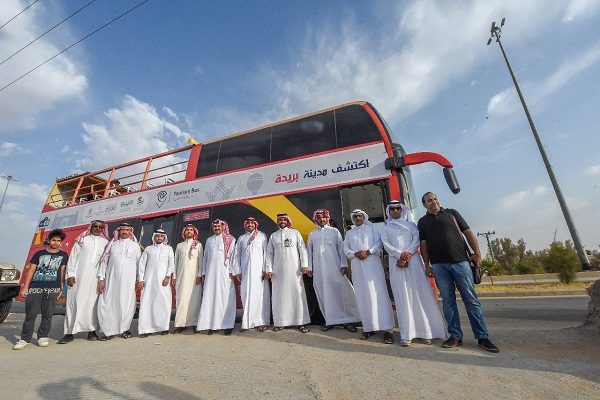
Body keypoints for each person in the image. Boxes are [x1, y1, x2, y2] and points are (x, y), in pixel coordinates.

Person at [417, 192, 499, 353]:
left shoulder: (452, 213)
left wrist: (477, 253)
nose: (434, 202)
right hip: (439, 266)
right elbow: (424, 245)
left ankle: (482, 337)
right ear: (424, 205)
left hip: (461, 262)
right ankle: (455, 336)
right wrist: (426, 265)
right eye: (429, 201)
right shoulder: (422, 222)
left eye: (435, 199)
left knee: (471, 300)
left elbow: (468, 232)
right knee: (448, 302)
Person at [381, 201, 447, 346]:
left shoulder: (411, 225)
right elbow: (386, 245)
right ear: (389, 211)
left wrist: (407, 255)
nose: (395, 211)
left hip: (414, 264)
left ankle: (426, 333)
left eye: (398, 208)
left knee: (420, 295)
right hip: (396, 263)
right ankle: (407, 335)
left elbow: (416, 240)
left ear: (402, 210)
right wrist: (399, 255)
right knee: (403, 297)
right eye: (392, 209)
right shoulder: (386, 228)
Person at [343, 209, 395, 344]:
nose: (358, 218)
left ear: (364, 217)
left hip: (373, 266)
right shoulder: (349, 233)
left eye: (360, 216)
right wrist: (355, 254)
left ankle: (388, 330)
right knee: (363, 297)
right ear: (353, 219)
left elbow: (379, 243)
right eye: (355, 216)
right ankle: (369, 328)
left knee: (380, 296)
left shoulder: (373, 229)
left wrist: (368, 252)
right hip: (357, 268)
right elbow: (346, 249)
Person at [13, 229, 69, 350]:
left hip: (53, 289)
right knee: (31, 314)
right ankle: (24, 339)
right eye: (54, 240)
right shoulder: (39, 254)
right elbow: (31, 271)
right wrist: (26, 287)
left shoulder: (63, 255)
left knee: (48, 314)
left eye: (58, 241)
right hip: (35, 287)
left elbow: (62, 272)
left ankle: (43, 336)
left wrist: (62, 290)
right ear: (49, 240)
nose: (56, 243)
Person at [306, 209, 360, 332]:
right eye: (319, 218)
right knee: (323, 293)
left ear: (328, 218)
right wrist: (309, 267)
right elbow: (309, 251)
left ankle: (348, 320)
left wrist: (344, 264)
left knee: (341, 292)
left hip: (335, 267)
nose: (322, 220)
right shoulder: (312, 234)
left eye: (324, 217)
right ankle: (330, 321)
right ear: (316, 219)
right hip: (319, 270)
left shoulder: (334, 231)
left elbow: (341, 248)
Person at [59, 221, 109, 344]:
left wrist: (102, 279)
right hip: (78, 277)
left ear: (103, 229)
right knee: (73, 303)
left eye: (100, 227)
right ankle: (69, 333)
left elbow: (105, 263)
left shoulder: (106, 243)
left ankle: (91, 331)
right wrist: (70, 274)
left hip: (96, 279)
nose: (97, 229)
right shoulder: (82, 240)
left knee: (92, 304)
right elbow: (73, 258)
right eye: (95, 227)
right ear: (90, 228)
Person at [265, 213, 310, 333]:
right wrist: (268, 269)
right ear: (277, 222)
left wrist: (304, 265)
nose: (282, 221)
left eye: (284, 219)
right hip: (278, 272)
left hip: (295, 271)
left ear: (288, 221)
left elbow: (302, 249)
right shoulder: (273, 236)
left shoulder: (295, 233)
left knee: (297, 294)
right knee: (280, 296)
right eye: (280, 220)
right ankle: (281, 322)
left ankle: (301, 322)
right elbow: (269, 254)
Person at [96, 223, 141, 340]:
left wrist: (139, 279)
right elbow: (104, 263)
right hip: (111, 281)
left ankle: (124, 329)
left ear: (130, 232)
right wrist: (101, 279)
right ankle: (108, 331)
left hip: (128, 282)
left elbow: (139, 264)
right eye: (122, 230)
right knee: (109, 303)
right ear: (119, 231)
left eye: (127, 230)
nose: (124, 232)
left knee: (126, 305)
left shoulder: (135, 246)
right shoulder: (112, 245)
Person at [196, 219, 237, 335]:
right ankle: (213, 325)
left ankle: (227, 325)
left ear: (223, 227)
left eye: (219, 226)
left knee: (225, 298)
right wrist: (203, 272)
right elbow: (206, 258)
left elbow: (234, 256)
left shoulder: (231, 239)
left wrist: (233, 271)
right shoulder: (209, 240)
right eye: (215, 227)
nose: (217, 228)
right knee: (211, 298)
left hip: (225, 274)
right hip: (211, 275)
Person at [233, 217, 270, 332]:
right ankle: (247, 322)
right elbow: (236, 256)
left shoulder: (261, 236)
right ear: (245, 225)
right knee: (246, 295)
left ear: (255, 225)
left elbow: (266, 253)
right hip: (245, 272)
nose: (250, 225)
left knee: (260, 297)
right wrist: (237, 271)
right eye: (248, 223)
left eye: (252, 223)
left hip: (259, 273)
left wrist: (265, 269)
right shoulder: (241, 238)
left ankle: (262, 322)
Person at [137, 229, 175, 337]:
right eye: (157, 236)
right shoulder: (148, 249)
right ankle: (146, 329)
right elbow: (142, 264)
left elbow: (171, 264)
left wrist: (168, 276)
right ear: (154, 237)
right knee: (147, 303)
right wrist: (141, 279)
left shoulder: (168, 249)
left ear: (164, 238)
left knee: (163, 303)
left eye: (161, 236)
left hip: (163, 281)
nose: (159, 238)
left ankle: (163, 327)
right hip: (148, 281)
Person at [172, 224, 203, 334]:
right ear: (184, 233)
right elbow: (175, 263)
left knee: (194, 300)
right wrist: (174, 277)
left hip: (195, 278)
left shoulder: (198, 245)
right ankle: (181, 324)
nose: (189, 231)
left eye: (191, 230)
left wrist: (199, 275)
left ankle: (194, 323)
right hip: (181, 278)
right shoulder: (179, 246)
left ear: (194, 232)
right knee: (181, 300)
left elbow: (201, 261)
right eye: (187, 230)